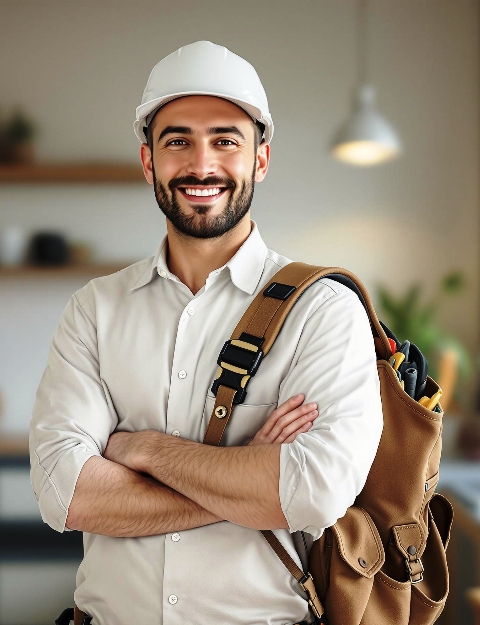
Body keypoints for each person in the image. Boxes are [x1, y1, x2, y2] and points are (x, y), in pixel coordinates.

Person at [30, 41, 383, 625]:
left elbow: (315, 492)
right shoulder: (94, 310)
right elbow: (63, 493)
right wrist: (247, 476)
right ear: (148, 162)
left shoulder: (323, 310)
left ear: (260, 159)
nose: (201, 165)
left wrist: (142, 450)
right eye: (177, 141)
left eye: (225, 140)